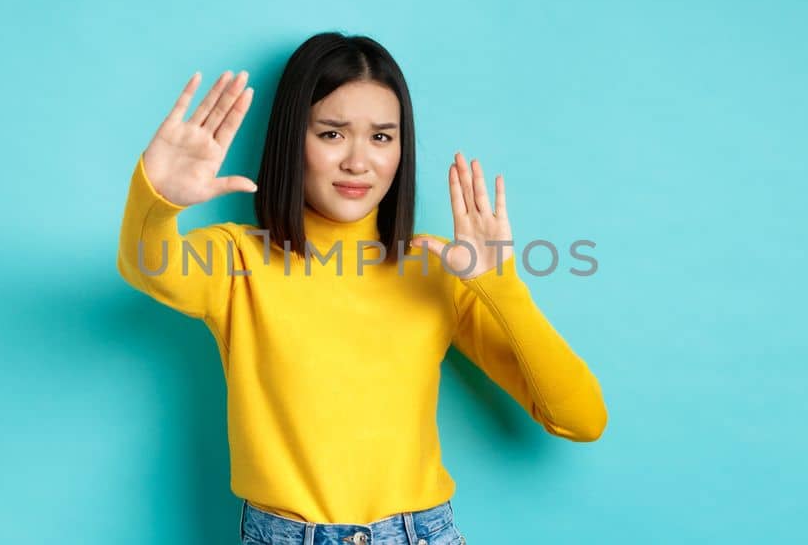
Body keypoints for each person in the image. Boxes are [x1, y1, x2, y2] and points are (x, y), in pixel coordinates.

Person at [117, 32, 608, 545]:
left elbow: (580, 418)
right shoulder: (236, 259)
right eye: (331, 134)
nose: (358, 161)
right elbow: (147, 266)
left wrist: (497, 285)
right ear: (293, 140)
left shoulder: (442, 267)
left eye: (381, 137)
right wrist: (156, 202)